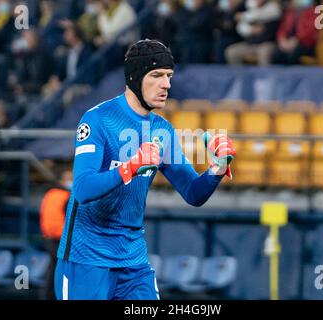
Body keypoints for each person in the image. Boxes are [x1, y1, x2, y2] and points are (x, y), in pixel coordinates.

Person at [54, 39, 236, 300]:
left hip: (133, 261)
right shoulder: (97, 120)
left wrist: (217, 168)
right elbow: (82, 189)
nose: (166, 84)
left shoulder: (163, 130)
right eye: (157, 75)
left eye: (169, 76)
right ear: (135, 78)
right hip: (87, 258)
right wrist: (131, 167)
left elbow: (193, 194)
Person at [40, 167, 72, 300]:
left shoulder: (50, 194)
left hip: (49, 238)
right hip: (63, 239)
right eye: (70, 178)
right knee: (61, 272)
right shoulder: (66, 196)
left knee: (53, 270)